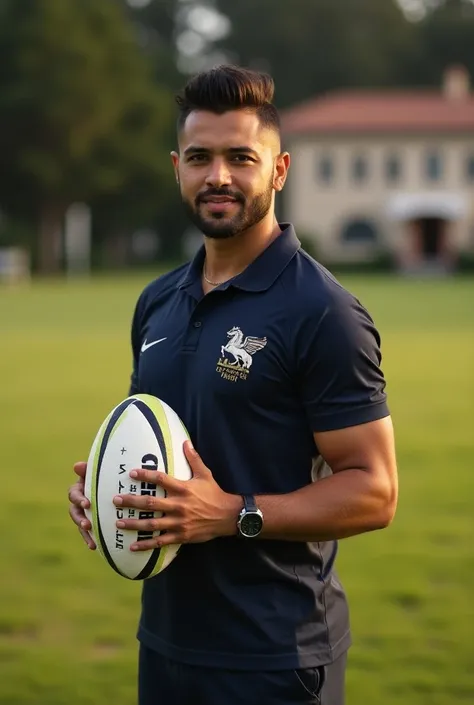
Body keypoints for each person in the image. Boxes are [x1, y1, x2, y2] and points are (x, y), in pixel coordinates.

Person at [68, 64, 398, 705]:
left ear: (279, 170)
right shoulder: (156, 303)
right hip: (165, 644)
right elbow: (170, 443)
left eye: (240, 157)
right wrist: (107, 491)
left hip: (277, 656)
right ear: (177, 167)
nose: (218, 175)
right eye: (200, 157)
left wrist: (232, 515)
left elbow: (375, 493)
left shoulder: (322, 312)